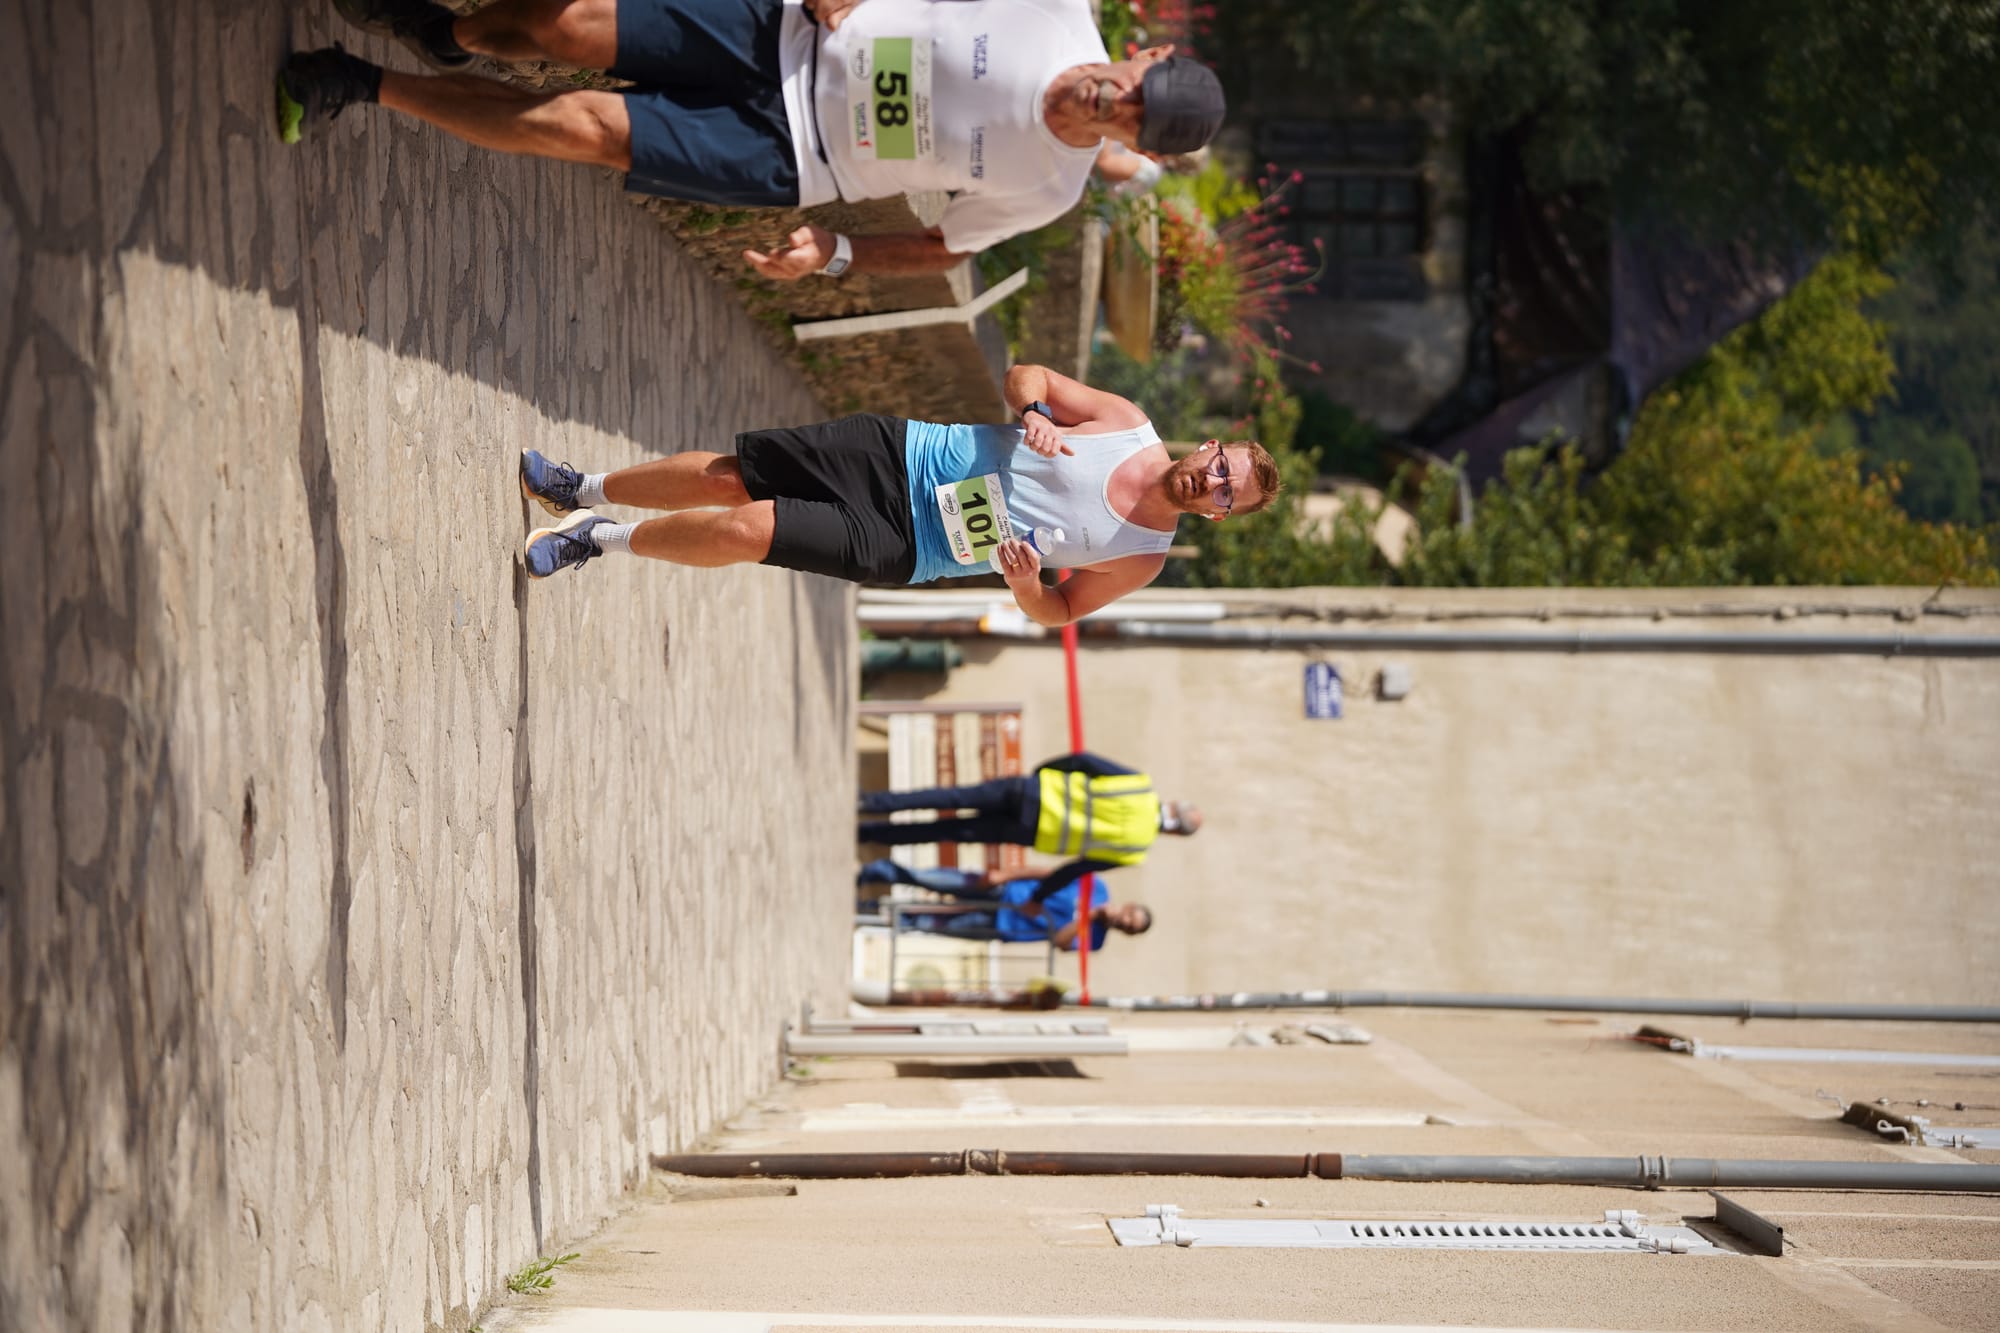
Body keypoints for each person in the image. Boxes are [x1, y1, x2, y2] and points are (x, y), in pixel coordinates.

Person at [276, 0, 1228, 280]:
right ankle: (449, 34)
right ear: (1144, 54)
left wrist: (838, 249)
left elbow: (943, 249)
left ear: (1141, 147)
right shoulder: (1050, 9)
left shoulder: (1050, 188)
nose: (1123, 105)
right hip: (778, 30)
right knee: (558, 28)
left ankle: (357, 83)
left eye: (1142, 124)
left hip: (796, 154)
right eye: (1144, 89)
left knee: (586, 128)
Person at [514, 363, 1281, 626]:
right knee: (729, 476)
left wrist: (1025, 585)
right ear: (1212, 447)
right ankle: (577, 486)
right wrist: (1036, 414)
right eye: (1223, 467)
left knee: (747, 531)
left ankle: (596, 537)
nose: (1213, 481)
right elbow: (1029, 375)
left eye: (1226, 495)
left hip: (914, 547)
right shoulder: (1125, 423)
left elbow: (1062, 611)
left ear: (1218, 515)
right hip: (900, 453)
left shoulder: (1143, 558)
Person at [857, 752, 1197, 902]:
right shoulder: (1135, 850)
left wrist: (1042, 773)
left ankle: (872, 804)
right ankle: (870, 835)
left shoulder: (1139, 785)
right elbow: (1075, 869)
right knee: (948, 832)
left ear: (1173, 805)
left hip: (1030, 791)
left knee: (951, 797)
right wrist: (1039, 896)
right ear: (1174, 834)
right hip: (1028, 830)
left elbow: (1084, 759)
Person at [856, 859, 1151, 951]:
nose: (1124, 921)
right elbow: (1051, 874)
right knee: (936, 880)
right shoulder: (1096, 886)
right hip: (1005, 891)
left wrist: (1091, 918)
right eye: (1129, 916)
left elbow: (1059, 941)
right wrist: (1008, 874)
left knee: (928, 923)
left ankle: (867, 912)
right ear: (1128, 905)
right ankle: (877, 872)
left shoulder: (1095, 941)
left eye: (1129, 927)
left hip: (1003, 925)